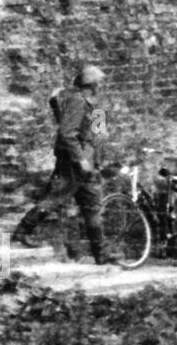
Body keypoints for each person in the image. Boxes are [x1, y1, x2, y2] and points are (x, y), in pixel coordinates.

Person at [11, 64, 110, 263]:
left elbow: (98, 135)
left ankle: (102, 254)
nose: (101, 85)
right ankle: (22, 231)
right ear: (91, 84)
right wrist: (81, 159)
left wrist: (97, 159)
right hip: (74, 163)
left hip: (89, 164)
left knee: (92, 206)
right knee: (56, 197)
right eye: (99, 82)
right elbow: (67, 133)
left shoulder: (95, 104)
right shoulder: (77, 101)